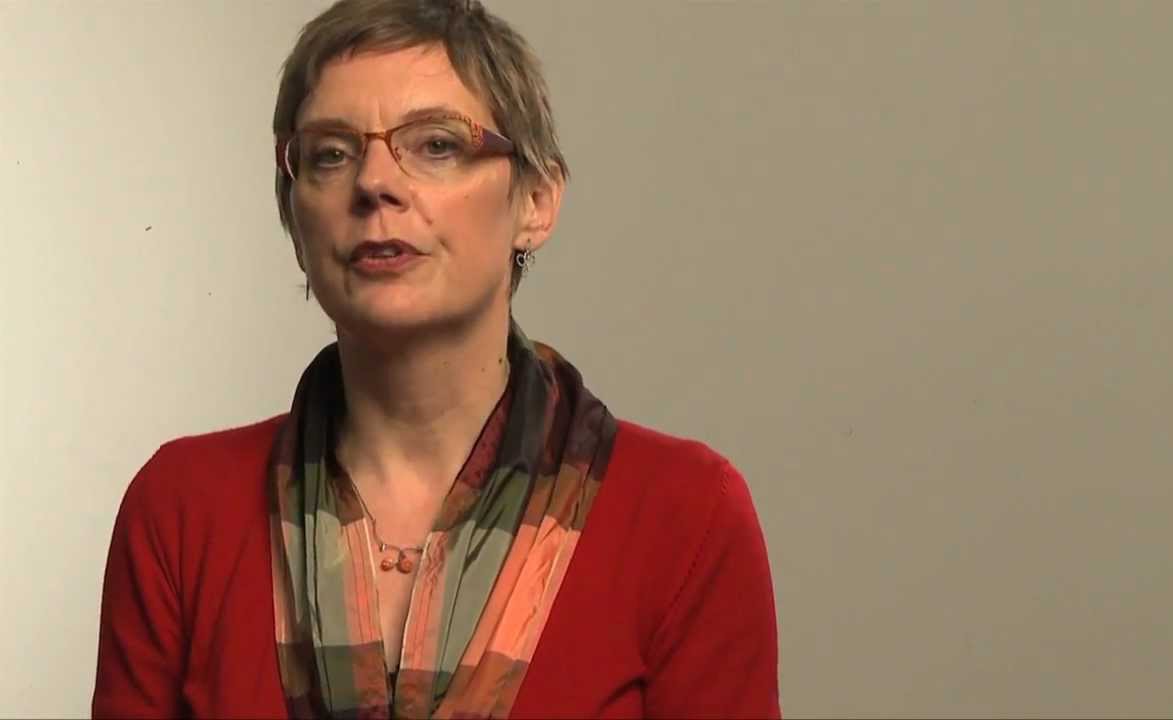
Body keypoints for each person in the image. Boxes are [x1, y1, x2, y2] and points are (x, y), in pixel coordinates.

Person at [91, 0, 779, 717]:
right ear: (295, 218)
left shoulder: (685, 514)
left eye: (436, 145)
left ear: (535, 202)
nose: (375, 182)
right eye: (331, 152)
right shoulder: (181, 508)